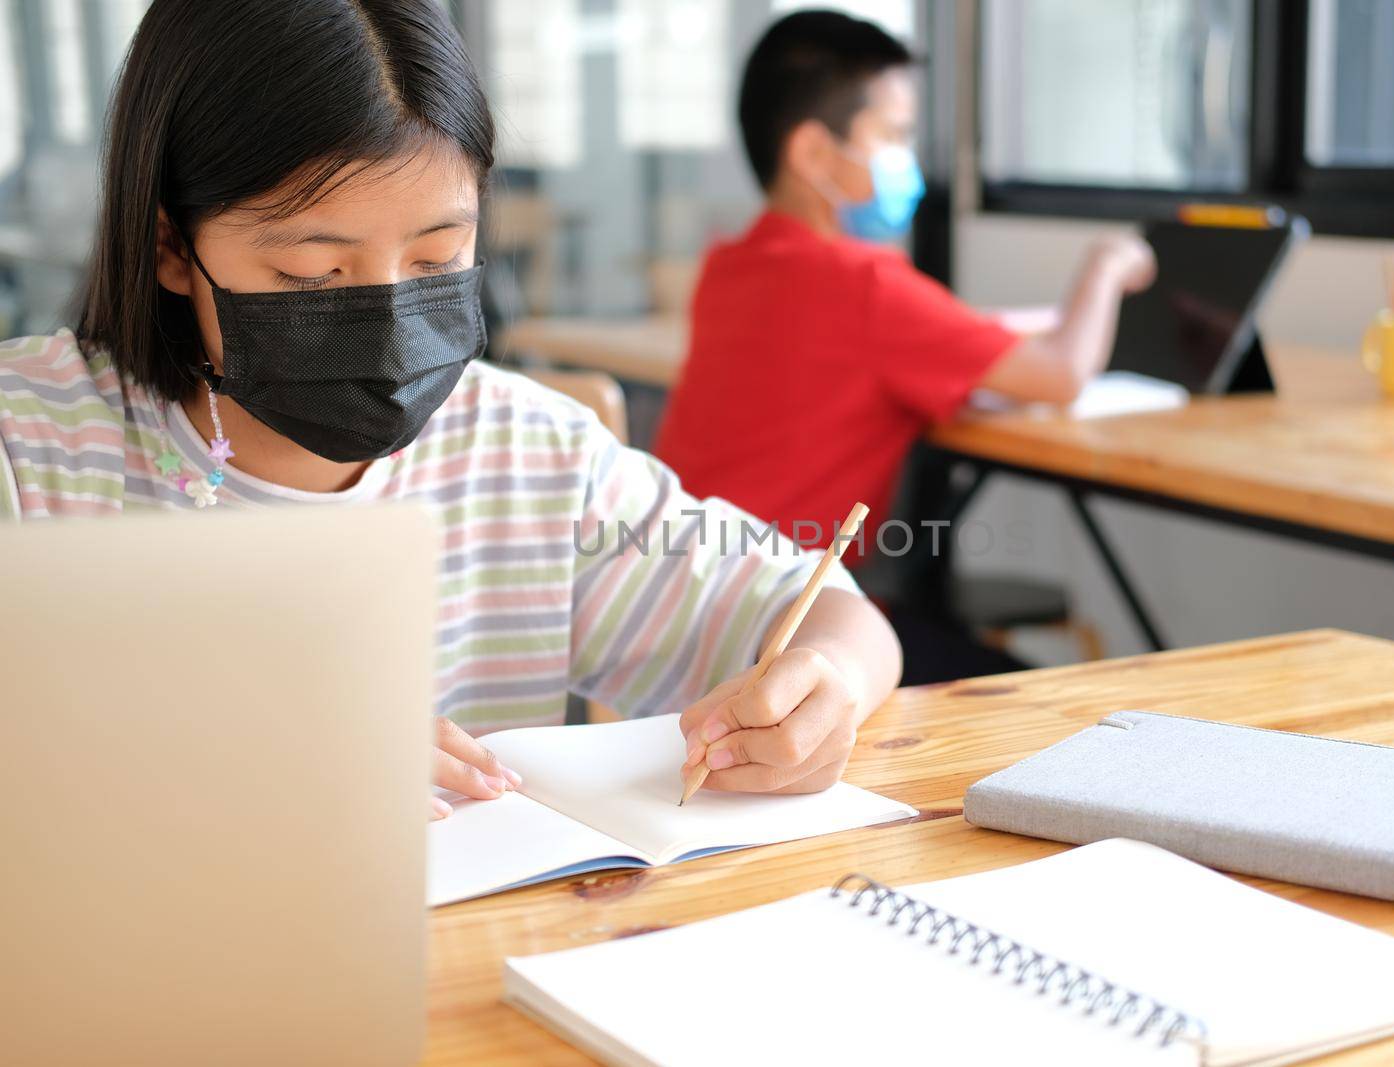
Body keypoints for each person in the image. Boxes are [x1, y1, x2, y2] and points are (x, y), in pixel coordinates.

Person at [0, 0, 900, 818]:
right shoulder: (29, 450)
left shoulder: (527, 455)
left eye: (437, 259)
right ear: (169, 244)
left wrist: (828, 686)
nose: (389, 325)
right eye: (312, 274)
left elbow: (822, 614)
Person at [653, 9, 1156, 560]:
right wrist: (1105, 268)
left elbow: (937, 331)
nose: (905, 159)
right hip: (780, 620)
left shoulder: (731, 265)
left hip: (683, 586)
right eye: (893, 135)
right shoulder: (865, 285)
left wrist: (1040, 317)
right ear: (813, 154)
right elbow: (1061, 374)